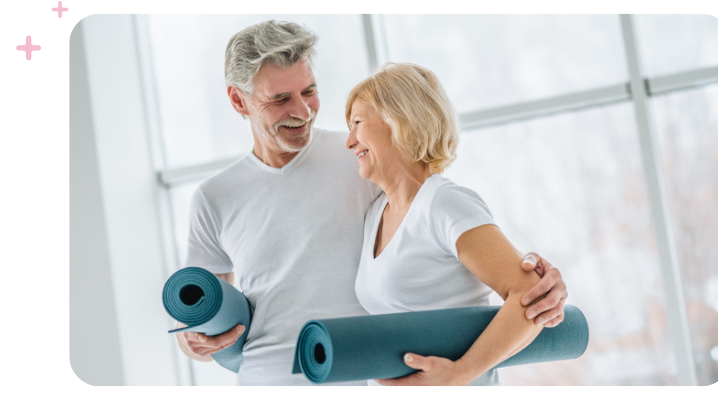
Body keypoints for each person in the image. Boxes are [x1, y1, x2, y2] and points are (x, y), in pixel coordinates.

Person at [174, 20, 568, 386]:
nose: (302, 111)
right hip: (266, 379)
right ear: (238, 101)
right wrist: (192, 340)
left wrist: (530, 275)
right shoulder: (214, 198)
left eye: (309, 91)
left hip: (360, 374)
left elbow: (441, 220)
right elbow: (201, 316)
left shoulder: (365, 159)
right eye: (280, 98)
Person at [345, 63, 557, 386]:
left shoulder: (443, 203)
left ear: (399, 118)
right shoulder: (376, 213)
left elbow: (531, 295)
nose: (349, 141)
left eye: (358, 123)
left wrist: (458, 375)